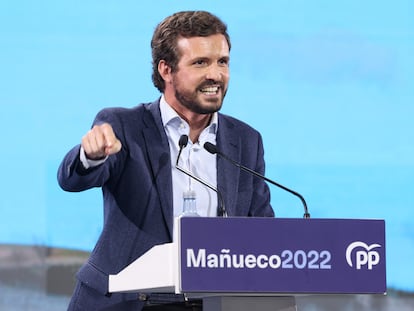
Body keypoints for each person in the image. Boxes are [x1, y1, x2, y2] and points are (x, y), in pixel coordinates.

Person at [58, 10, 274, 311]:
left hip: (212, 302)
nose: (216, 74)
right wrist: (90, 156)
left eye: (222, 62)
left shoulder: (246, 140)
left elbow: (264, 231)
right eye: (200, 63)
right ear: (166, 70)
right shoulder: (124, 126)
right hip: (127, 302)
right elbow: (72, 179)